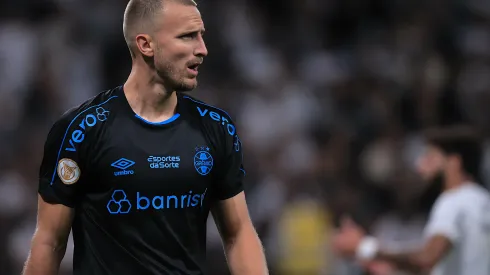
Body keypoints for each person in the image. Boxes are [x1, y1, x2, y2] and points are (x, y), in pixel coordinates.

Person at [22, 0, 268, 274]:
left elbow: (238, 232)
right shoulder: (80, 130)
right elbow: (49, 242)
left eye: (201, 36)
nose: (202, 49)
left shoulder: (216, 127)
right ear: (146, 45)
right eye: (187, 36)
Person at [333, 126, 490, 275]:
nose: (420, 165)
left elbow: (427, 259)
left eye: (430, 157)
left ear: (454, 163)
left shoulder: (452, 201)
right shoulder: (483, 200)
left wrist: (364, 247)